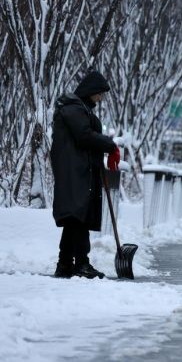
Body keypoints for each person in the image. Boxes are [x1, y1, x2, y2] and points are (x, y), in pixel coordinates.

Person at [51, 71, 119, 279]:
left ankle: (65, 264)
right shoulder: (74, 109)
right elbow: (84, 136)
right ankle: (81, 264)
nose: (101, 98)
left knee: (75, 218)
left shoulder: (79, 109)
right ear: (90, 91)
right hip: (75, 171)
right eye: (99, 93)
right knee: (79, 217)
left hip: (80, 169)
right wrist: (109, 144)